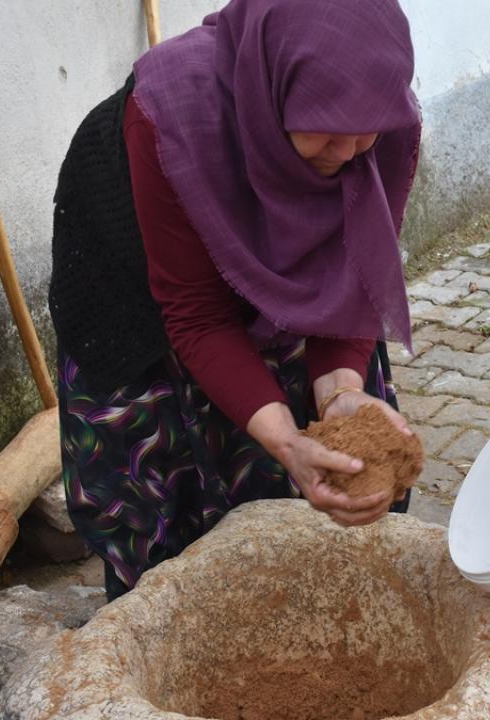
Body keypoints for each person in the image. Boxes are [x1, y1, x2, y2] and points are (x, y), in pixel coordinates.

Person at [48, 0, 423, 602]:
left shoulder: (376, 122)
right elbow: (196, 313)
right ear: (276, 91)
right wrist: (285, 440)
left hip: (270, 273)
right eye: (326, 129)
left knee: (313, 460)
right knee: (171, 510)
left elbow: (349, 276)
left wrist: (339, 394)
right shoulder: (167, 120)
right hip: (138, 287)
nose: (350, 151)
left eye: (366, 131)